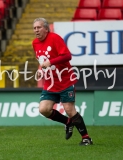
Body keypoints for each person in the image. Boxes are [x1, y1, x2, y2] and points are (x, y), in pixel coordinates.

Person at [32, 18, 93, 146]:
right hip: (50, 82)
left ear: (46, 29)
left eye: (39, 27)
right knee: (43, 109)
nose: (36, 30)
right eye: (34, 28)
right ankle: (67, 122)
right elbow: (41, 60)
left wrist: (51, 62)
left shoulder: (55, 38)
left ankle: (86, 138)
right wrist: (40, 69)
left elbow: (67, 56)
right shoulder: (35, 43)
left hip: (65, 80)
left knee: (69, 109)